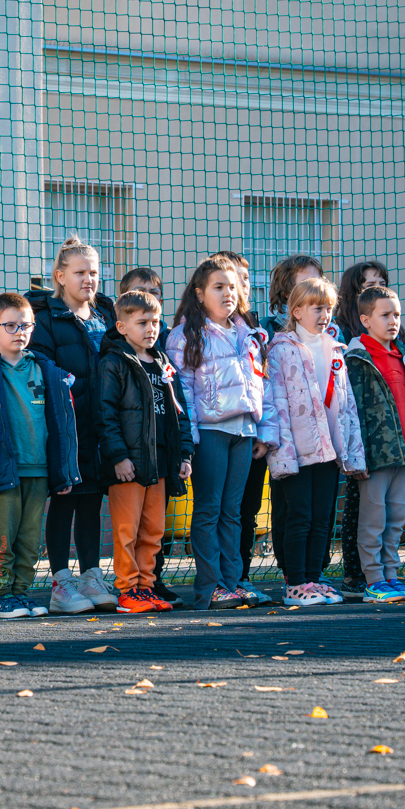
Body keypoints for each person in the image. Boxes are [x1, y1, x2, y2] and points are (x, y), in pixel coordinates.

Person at [0, 293, 80, 617]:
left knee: (29, 539)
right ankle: (0, 595)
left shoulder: (46, 370)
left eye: (25, 325)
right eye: (10, 325)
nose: (19, 332)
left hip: (39, 471)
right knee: (3, 537)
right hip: (2, 472)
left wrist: (64, 471)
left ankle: (21, 593)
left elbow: (64, 425)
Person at [258, 276, 364, 606]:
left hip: (329, 449)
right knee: (299, 516)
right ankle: (296, 583)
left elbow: (346, 403)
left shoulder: (335, 348)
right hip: (298, 451)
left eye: (329, 309)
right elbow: (275, 401)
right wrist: (280, 449)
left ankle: (314, 580)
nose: (324, 315)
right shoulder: (281, 350)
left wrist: (353, 452)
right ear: (297, 310)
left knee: (322, 518)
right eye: (317, 308)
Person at [165, 256, 264, 609]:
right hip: (209, 433)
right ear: (199, 293)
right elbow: (183, 391)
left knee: (233, 512)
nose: (228, 294)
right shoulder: (185, 336)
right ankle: (210, 588)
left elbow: (259, 385)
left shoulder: (248, 333)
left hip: (244, 433)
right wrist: (189, 440)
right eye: (219, 287)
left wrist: (262, 431)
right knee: (208, 509)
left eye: (233, 287)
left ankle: (233, 582)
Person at [26, 237, 117, 609]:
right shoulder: (46, 318)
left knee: (92, 501)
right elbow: (44, 369)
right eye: (80, 272)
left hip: (102, 423)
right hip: (67, 425)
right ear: (60, 276)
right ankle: (61, 581)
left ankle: (92, 576)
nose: (89, 279)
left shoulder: (107, 315)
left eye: (94, 272)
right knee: (65, 499)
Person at [97, 290, 193, 613]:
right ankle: (126, 589)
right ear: (122, 327)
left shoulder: (163, 363)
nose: (151, 328)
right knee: (128, 529)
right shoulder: (114, 362)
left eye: (155, 321)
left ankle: (146, 586)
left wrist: (184, 454)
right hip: (130, 464)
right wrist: (118, 457)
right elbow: (105, 413)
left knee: (154, 529)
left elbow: (180, 412)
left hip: (160, 464)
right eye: (142, 322)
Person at [344, 285, 405, 603]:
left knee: (398, 516)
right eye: (385, 315)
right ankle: (373, 578)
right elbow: (353, 413)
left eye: (396, 314)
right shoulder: (357, 359)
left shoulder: (400, 356)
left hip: (402, 455)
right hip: (374, 456)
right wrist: (357, 456)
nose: (393, 320)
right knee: (373, 519)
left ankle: (392, 575)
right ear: (366, 320)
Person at [332, 260, 390, 595]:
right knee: (356, 503)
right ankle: (354, 572)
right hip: (353, 429)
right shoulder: (342, 333)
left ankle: (382, 571)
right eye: (368, 284)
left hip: (382, 434)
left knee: (384, 508)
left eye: (381, 282)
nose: (376, 288)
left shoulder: (391, 336)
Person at [220, 251, 275, 603]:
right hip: (219, 435)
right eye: (232, 277)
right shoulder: (200, 327)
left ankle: (241, 575)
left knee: (247, 510)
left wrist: (265, 433)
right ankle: (219, 578)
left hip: (251, 435)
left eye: (245, 277)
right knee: (220, 509)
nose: (242, 284)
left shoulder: (254, 328)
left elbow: (264, 383)